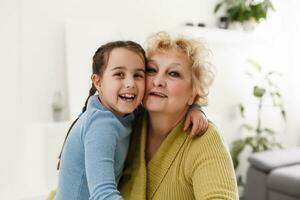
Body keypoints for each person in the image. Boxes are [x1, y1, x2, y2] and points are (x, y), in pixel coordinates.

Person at [54, 40, 208, 200]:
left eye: (138, 75)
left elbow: (164, 106)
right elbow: (103, 194)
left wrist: (195, 108)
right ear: (98, 82)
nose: (130, 83)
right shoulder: (101, 126)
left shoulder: (126, 112)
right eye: (119, 74)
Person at [119, 32, 239, 199]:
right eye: (152, 70)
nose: (158, 81)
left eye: (173, 73)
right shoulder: (127, 124)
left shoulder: (204, 139)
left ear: (193, 93)